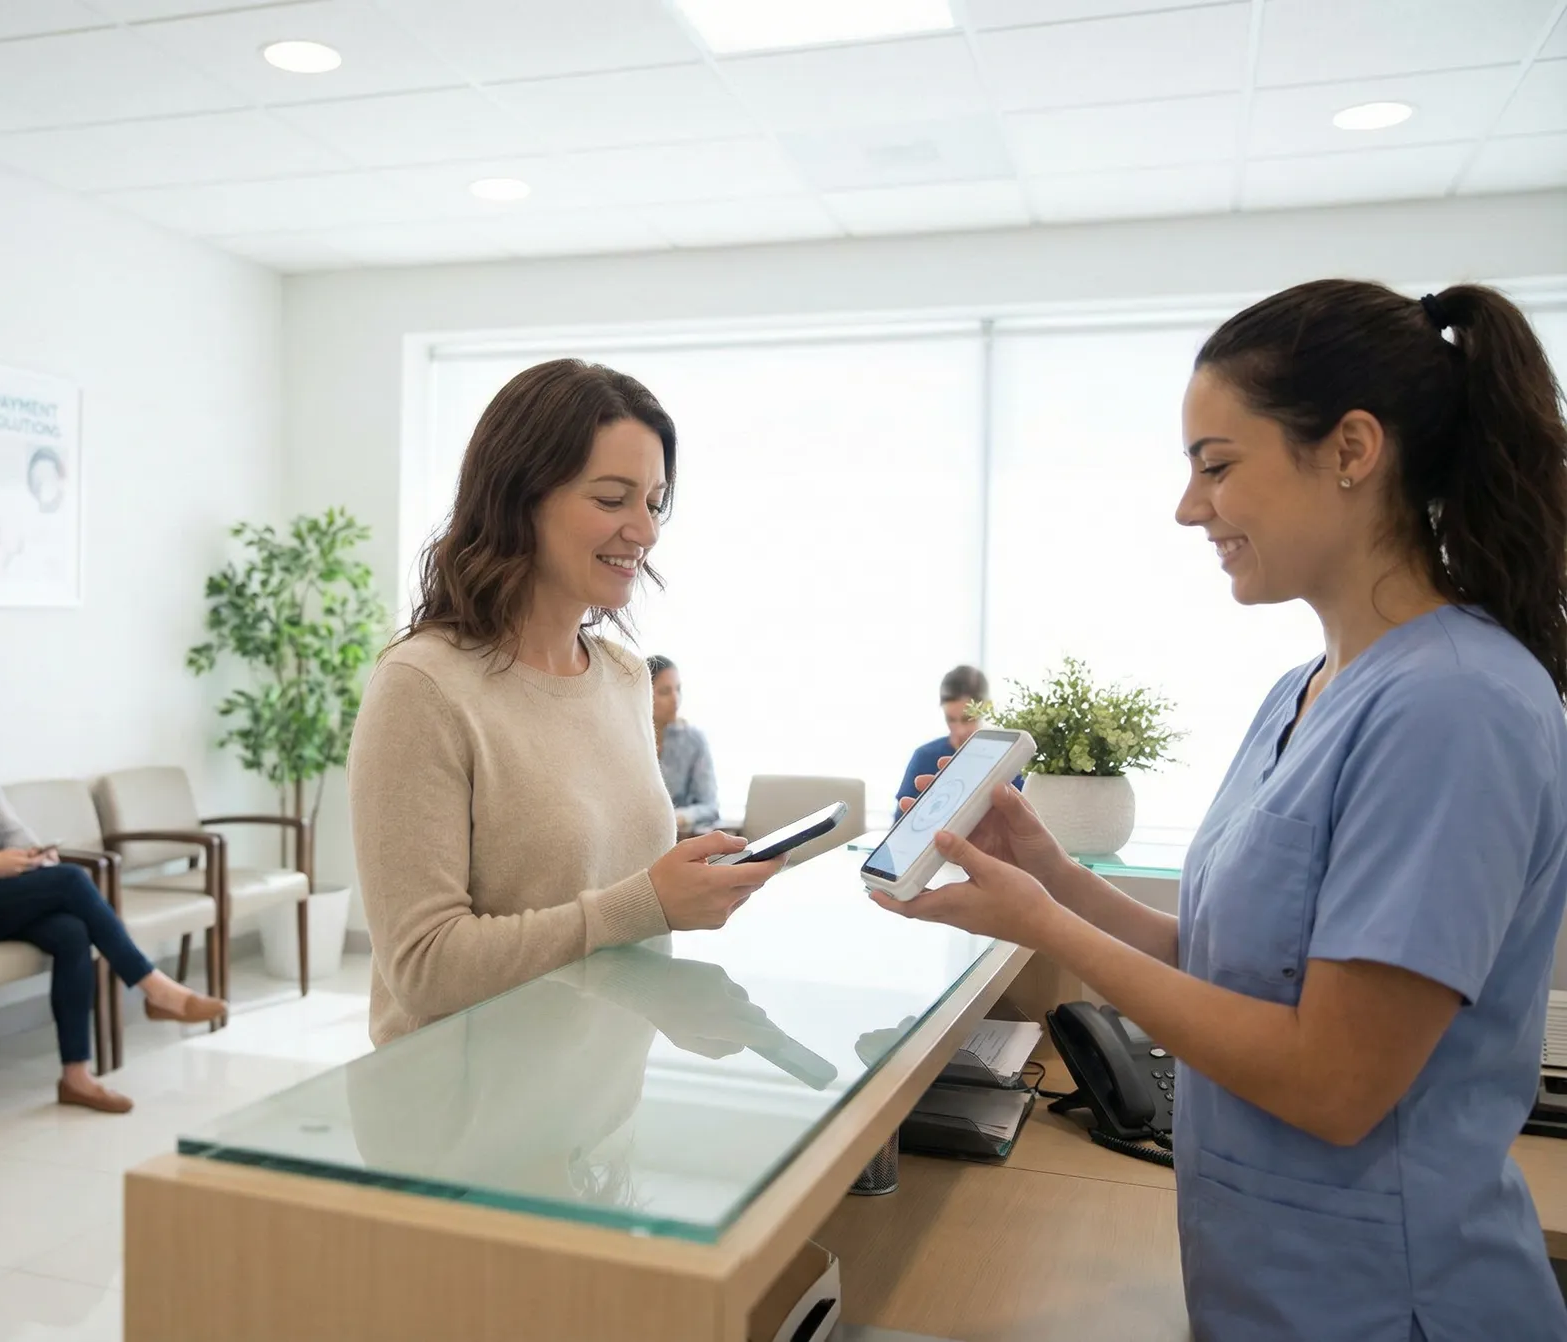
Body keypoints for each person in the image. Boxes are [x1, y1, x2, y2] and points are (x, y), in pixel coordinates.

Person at [873, 281, 1567, 1339]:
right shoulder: (1305, 687)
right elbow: (1231, 963)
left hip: (1390, 1298)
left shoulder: (1454, 703)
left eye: (1215, 465)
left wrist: (1041, 924)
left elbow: (1334, 1080)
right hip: (1268, 1282)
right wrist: (1052, 874)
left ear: (1349, 449)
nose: (1188, 506)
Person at [349, 358, 784, 1046]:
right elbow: (422, 966)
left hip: (602, 1104)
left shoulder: (623, 677)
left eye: (654, 503)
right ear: (518, 499)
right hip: (462, 1127)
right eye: (613, 500)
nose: (644, 531)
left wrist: (675, 930)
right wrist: (646, 904)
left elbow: (614, 906)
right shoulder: (423, 688)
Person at [0, 653, 228, 1114]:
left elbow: (8, 826)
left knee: (71, 932)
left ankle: (76, 1076)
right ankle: (155, 988)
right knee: (73, 881)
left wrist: (37, 852)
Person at [894, 665, 993, 820]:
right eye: (951, 719)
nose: (959, 731)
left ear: (987, 708)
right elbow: (898, 827)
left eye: (968, 718)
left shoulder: (1007, 759)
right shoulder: (924, 756)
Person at [647, 655, 718, 836]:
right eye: (664, 692)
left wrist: (678, 817)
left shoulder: (694, 740)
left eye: (678, 689)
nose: (675, 699)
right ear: (643, 695)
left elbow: (710, 806)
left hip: (680, 838)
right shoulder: (628, 740)